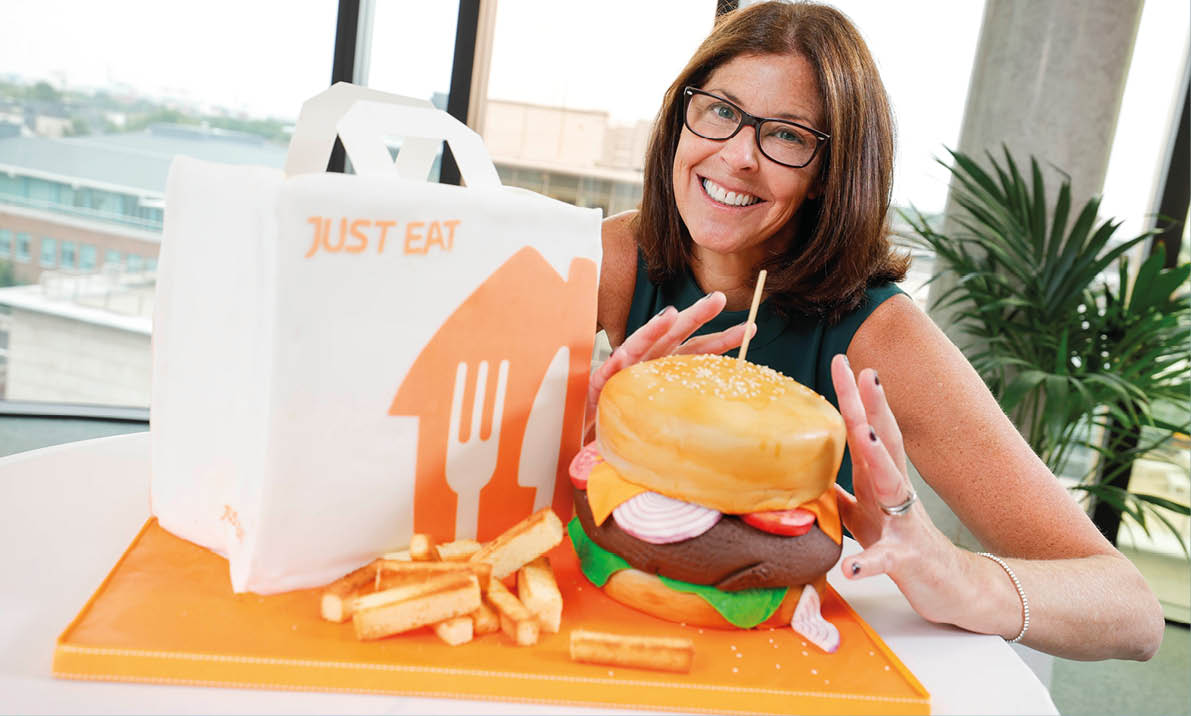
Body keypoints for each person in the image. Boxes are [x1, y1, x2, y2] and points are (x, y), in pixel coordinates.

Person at [585, 0, 1163, 661]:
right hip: (603, 618)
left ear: (828, 179)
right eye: (720, 110)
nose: (738, 155)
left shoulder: (881, 334)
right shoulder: (610, 261)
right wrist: (587, 419)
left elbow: (1132, 613)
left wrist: (953, 574)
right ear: (679, 119)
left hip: (789, 659)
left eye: (787, 136)